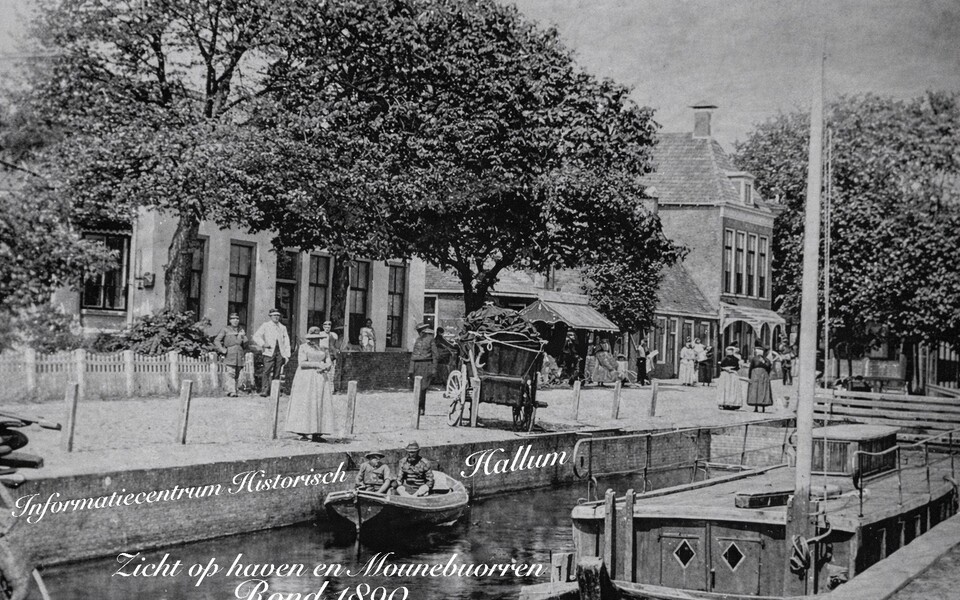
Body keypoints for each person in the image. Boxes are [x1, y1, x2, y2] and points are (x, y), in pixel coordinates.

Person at [284, 326, 335, 442]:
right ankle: (303, 431)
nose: (315, 341)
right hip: (306, 377)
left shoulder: (324, 348)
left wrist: (327, 366)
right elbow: (302, 363)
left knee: (320, 401)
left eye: (317, 338)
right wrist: (318, 364)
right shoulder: (303, 348)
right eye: (313, 338)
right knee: (306, 401)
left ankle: (318, 432)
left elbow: (328, 360)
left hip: (320, 377)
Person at [253, 308, 291, 397]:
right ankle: (265, 390)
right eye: (274, 315)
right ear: (270, 316)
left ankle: (275, 391)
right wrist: (263, 344)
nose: (276, 317)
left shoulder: (282, 327)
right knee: (266, 371)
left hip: (280, 352)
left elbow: (286, 341)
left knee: (277, 372)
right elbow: (256, 336)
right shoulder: (266, 325)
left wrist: (287, 355)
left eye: (278, 315)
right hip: (269, 351)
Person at [214, 313, 247, 397]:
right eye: (233, 319)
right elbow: (217, 340)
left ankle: (237, 390)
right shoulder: (225, 329)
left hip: (239, 353)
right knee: (230, 372)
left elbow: (246, 343)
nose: (235, 320)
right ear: (230, 320)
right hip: (230, 353)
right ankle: (231, 391)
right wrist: (222, 350)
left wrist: (243, 336)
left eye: (237, 319)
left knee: (238, 373)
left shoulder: (241, 329)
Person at [408, 323, 436, 416]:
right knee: (416, 387)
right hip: (416, 365)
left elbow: (435, 355)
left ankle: (421, 408)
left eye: (421, 331)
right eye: (418, 331)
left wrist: (433, 369)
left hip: (426, 365)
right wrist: (411, 369)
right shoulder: (417, 340)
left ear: (424, 330)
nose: (419, 333)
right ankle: (417, 407)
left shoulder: (431, 339)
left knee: (423, 388)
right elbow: (414, 355)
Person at [746, 345, 774, 412]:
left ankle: (759, 408)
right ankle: (759, 407)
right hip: (759, 376)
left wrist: (750, 376)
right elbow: (751, 367)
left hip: (759, 376)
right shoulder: (759, 359)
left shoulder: (763, 359)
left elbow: (768, 368)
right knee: (759, 391)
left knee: (759, 391)